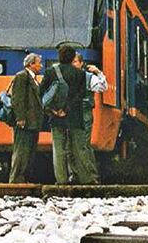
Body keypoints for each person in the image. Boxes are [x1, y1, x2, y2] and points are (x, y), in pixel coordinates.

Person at [40, 44, 98, 185]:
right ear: (72, 58)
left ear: (59, 57)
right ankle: (85, 179)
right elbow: (81, 95)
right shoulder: (80, 74)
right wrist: (67, 109)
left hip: (55, 117)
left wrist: (54, 110)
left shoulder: (50, 72)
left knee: (59, 149)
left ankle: (61, 180)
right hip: (75, 116)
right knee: (78, 148)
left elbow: (41, 93)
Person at [69, 51, 107, 183]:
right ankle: (75, 175)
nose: (72, 64)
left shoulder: (88, 77)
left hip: (84, 112)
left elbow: (103, 87)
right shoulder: (64, 75)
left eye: (75, 62)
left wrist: (98, 72)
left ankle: (91, 176)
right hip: (70, 113)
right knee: (70, 145)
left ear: (81, 63)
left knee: (84, 144)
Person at [8, 53, 44, 183]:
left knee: (29, 151)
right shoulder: (22, 77)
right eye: (39, 63)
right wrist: (20, 118)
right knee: (21, 150)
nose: (41, 65)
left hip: (33, 121)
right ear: (31, 64)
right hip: (25, 121)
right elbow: (17, 99)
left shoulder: (33, 78)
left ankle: (24, 178)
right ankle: (16, 178)